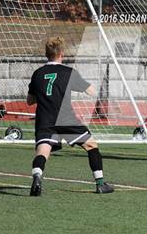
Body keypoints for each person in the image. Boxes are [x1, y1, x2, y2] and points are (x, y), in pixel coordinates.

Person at [27, 36, 114, 196]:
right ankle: (100, 184)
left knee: (42, 153)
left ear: (47, 54)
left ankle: (37, 176)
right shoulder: (68, 72)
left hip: (44, 120)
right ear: (61, 53)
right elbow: (90, 90)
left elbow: (29, 101)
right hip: (66, 118)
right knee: (91, 146)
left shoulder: (37, 74)